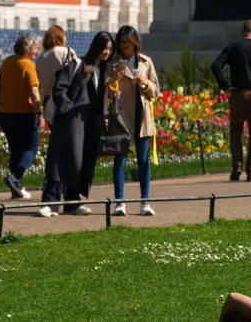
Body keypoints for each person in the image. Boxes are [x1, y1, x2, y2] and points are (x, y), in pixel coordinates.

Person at [45, 32, 114, 217]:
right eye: (104, 48)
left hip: (91, 122)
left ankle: (73, 201)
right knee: (66, 158)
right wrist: (67, 108)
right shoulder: (79, 64)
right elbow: (60, 88)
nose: (106, 52)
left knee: (84, 160)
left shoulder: (104, 70)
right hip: (73, 119)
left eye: (109, 49)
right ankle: (50, 202)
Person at [212, 20, 251, 181]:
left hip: (239, 93)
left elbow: (216, 66)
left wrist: (225, 86)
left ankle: (237, 167)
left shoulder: (233, 48)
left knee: (236, 131)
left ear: (243, 33)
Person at [107, 25, 160, 217]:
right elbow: (107, 94)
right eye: (121, 42)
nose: (125, 46)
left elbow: (156, 91)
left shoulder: (146, 62)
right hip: (122, 118)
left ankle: (145, 202)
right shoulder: (113, 64)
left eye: (128, 42)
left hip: (142, 117)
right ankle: (119, 202)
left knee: (144, 161)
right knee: (120, 160)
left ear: (135, 42)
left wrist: (145, 84)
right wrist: (114, 78)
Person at [35, 25, 75, 214]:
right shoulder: (66, 53)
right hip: (63, 100)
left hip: (48, 100)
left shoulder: (40, 58)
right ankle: (62, 194)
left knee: (58, 146)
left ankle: (57, 194)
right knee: (65, 151)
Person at [0, 33, 42, 200]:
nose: (38, 52)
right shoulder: (28, 65)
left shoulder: (7, 62)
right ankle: (15, 177)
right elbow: (34, 92)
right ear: (29, 48)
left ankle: (17, 188)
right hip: (24, 113)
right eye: (36, 48)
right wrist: (39, 113)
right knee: (32, 148)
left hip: (5, 112)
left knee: (15, 150)